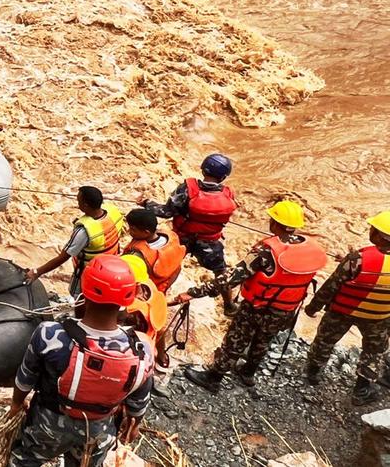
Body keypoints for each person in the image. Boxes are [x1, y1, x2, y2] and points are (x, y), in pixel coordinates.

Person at [8, 255, 155, 467]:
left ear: (84, 292)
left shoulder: (50, 334)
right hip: (98, 429)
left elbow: (25, 379)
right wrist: (135, 424)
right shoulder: (142, 349)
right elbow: (138, 405)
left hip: (48, 423)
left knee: (24, 461)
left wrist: (16, 403)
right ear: (128, 300)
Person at [174, 200, 327, 391]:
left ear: (274, 223)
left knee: (236, 340)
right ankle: (248, 373)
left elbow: (230, 280)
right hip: (286, 309)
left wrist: (193, 293)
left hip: (257, 307)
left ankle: (214, 378)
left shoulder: (266, 251)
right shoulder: (310, 249)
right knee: (263, 340)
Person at [303, 211, 390, 405]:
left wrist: (313, 307)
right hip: (379, 317)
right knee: (374, 352)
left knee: (325, 341)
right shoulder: (355, 258)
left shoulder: (357, 259)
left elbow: (331, 286)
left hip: (343, 311)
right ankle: (361, 390)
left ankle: (313, 373)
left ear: (378, 235)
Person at [138, 153, 238, 312]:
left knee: (169, 266)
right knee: (221, 273)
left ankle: (153, 298)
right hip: (209, 242)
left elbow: (166, 211)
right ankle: (229, 305)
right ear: (224, 176)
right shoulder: (228, 193)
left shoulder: (188, 188)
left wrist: (146, 203)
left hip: (182, 238)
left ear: (203, 169)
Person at [26, 187, 126, 298]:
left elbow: (63, 257)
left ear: (85, 206)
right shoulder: (113, 211)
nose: (77, 204)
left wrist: (37, 272)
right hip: (112, 269)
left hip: (90, 274)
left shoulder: (84, 231)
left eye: (79, 201)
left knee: (80, 298)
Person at [122, 208, 186, 294]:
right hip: (166, 282)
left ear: (146, 232)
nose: (129, 231)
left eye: (133, 229)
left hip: (149, 289)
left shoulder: (137, 255)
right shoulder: (170, 236)